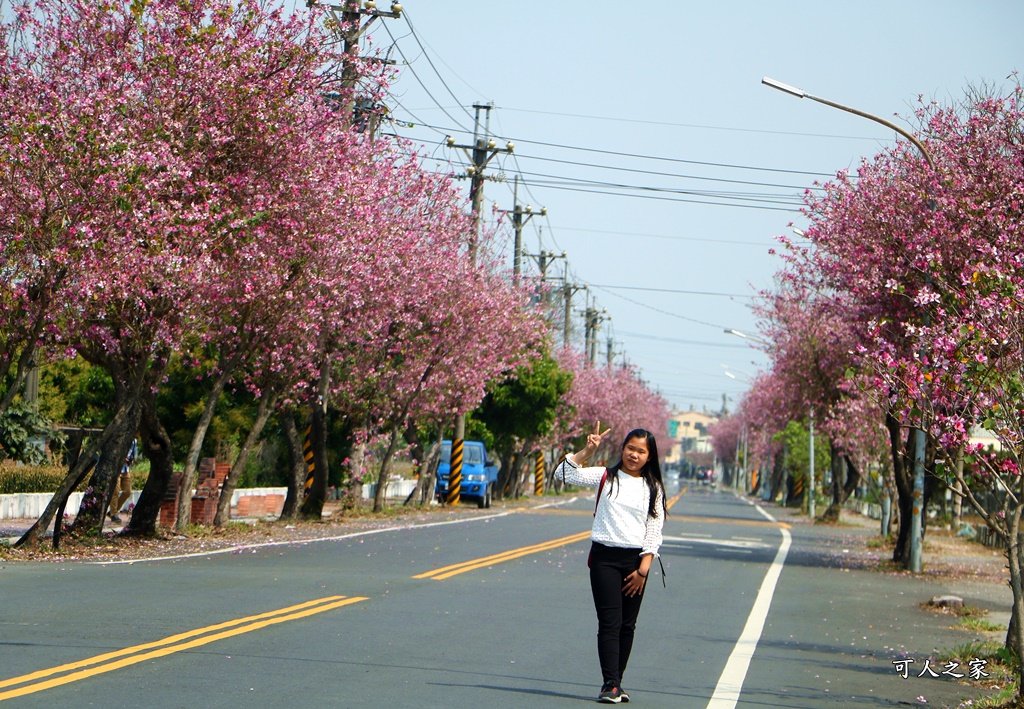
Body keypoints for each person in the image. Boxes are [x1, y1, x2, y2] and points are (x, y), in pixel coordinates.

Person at [555, 422, 667, 704]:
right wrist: (586, 451)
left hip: (636, 563)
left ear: (649, 456)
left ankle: (617, 681)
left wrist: (644, 569)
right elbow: (563, 474)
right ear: (622, 449)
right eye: (631, 448)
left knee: (627, 625)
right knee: (609, 622)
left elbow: (655, 529)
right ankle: (610, 684)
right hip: (604, 558)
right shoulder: (606, 476)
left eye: (641, 451)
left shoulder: (653, 488)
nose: (634, 455)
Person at [108, 436, 138, 523]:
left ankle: (113, 511)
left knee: (127, 492)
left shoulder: (134, 441)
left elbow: (134, 454)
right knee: (115, 492)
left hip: (126, 469)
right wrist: (122, 458)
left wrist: (131, 460)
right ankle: (114, 514)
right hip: (116, 469)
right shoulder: (120, 438)